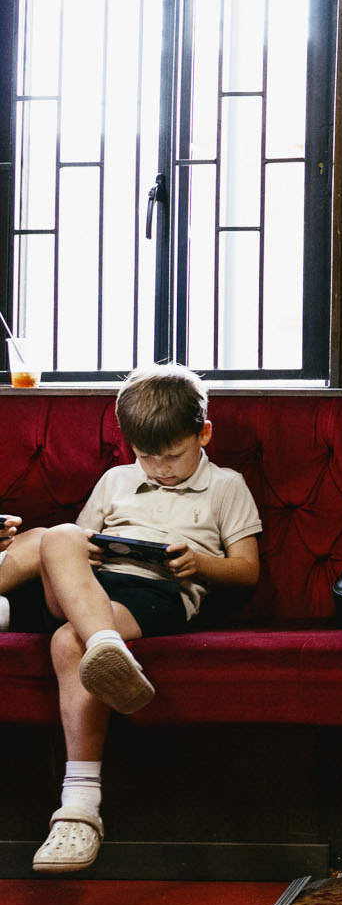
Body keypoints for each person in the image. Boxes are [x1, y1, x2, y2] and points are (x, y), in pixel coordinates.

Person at [0, 364, 262, 874]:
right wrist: (79, 551)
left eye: (173, 456)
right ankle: (105, 645)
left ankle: (78, 809)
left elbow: (247, 571)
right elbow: (75, 544)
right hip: (94, 583)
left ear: (203, 433)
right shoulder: (117, 479)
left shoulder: (227, 486)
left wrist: (200, 563)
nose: (160, 469)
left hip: (159, 590)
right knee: (57, 538)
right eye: (146, 457)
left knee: (63, 645)